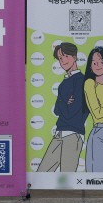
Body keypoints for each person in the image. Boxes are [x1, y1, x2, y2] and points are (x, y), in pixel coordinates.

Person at [37, 42, 89, 172]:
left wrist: (63, 102)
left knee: (67, 176)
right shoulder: (63, 83)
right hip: (59, 133)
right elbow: (56, 110)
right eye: (60, 58)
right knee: (42, 172)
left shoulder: (82, 81)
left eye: (66, 56)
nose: (63, 61)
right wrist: (65, 101)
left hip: (73, 134)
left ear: (74, 57)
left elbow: (70, 112)